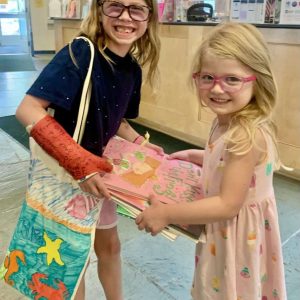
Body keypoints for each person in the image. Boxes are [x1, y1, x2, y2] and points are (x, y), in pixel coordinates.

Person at [15, 0, 162, 299]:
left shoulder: (131, 69)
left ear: (149, 17)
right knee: (71, 260)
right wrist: (77, 161)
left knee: (110, 246)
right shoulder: (80, 53)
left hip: (98, 177)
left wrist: (141, 144)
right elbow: (28, 109)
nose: (125, 17)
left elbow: (115, 118)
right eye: (115, 7)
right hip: (63, 176)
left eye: (136, 9)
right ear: (99, 10)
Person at [136, 22, 287, 299]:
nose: (217, 89)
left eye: (232, 79)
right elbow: (232, 165)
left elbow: (228, 204)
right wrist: (200, 156)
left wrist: (167, 213)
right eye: (208, 78)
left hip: (237, 237)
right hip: (227, 232)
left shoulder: (245, 134)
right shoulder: (227, 121)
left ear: (258, 79)